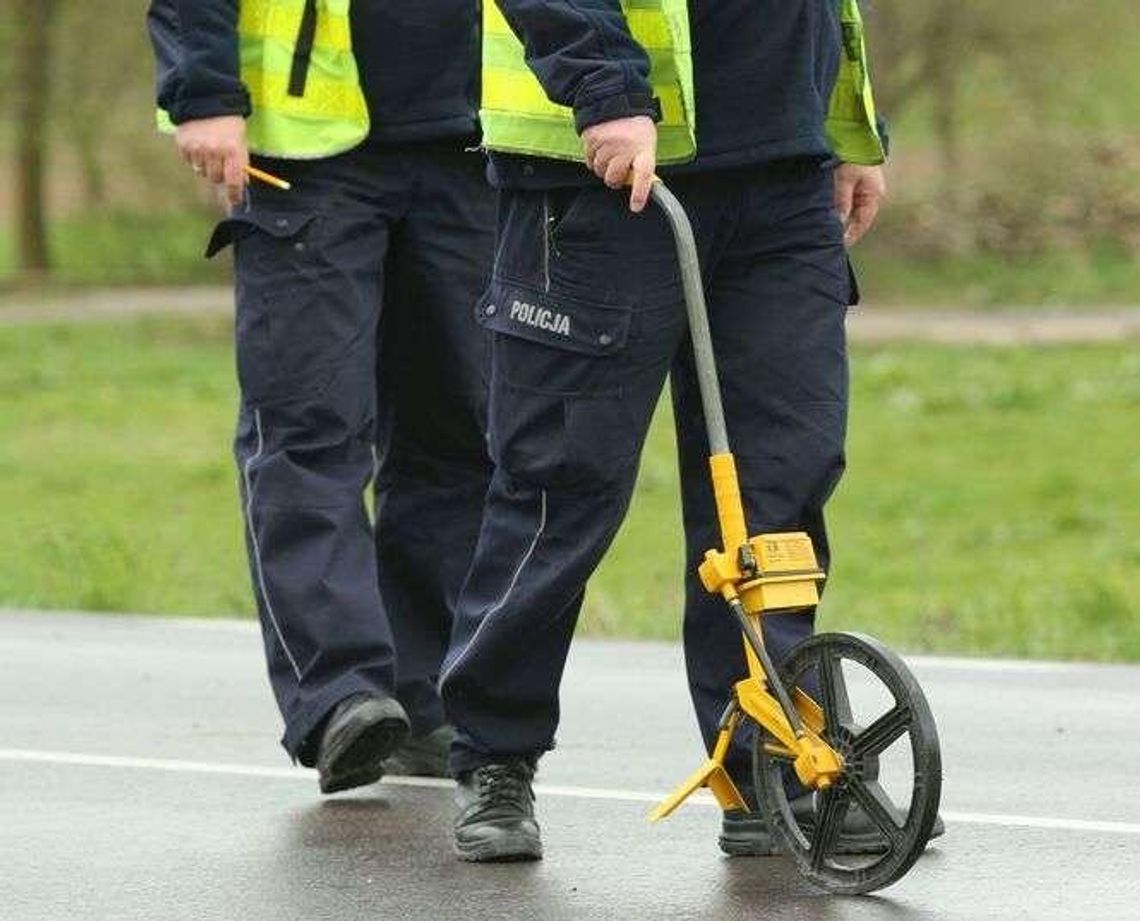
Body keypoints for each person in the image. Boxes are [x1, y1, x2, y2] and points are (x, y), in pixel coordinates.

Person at [439, 0, 942, 862]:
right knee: (562, 488)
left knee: (777, 491)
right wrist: (604, 89)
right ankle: (496, 753)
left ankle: (769, 764)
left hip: (783, 176)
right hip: (604, 176)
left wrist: (848, 128)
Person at [146, 1, 494, 792]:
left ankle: (426, 693)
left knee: (461, 433)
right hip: (307, 154)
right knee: (308, 426)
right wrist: (202, 89)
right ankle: (338, 694)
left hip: (475, 147)